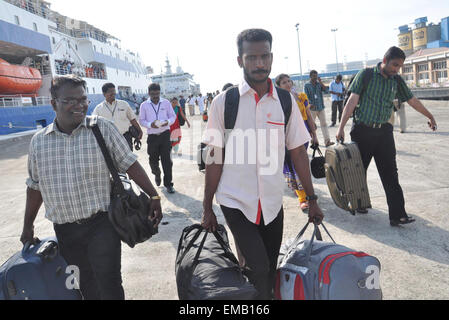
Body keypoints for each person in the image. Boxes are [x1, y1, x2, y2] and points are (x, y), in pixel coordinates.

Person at [201, 29, 324, 300]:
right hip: (235, 200)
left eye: (264, 56)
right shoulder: (224, 103)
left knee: (270, 270)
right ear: (239, 61)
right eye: (252, 57)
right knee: (257, 268)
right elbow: (213, 157)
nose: (259, 63)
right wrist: (207, 205)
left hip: (271, 203)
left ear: (271, 57)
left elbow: (298, 153)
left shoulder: (285, 101)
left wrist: (312, 198)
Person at [20, 75, 163, 300]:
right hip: (65, 230)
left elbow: (130, 163)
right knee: (85, 284)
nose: (79, 105)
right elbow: (34, 188)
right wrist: (27, 226)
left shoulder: (101, 129)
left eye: (83, 100)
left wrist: (153, 194)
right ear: (53, 103)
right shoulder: (39, 142)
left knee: (109, 281)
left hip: (102, 223)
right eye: (71, 101)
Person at [336, 46, 437, 226]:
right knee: (359, 171)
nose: (396, 69)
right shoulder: (365, 75)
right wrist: (341, 127)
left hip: (384, 132)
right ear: (385, 60)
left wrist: (429, 115)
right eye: (394, 65)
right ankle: (359, 203)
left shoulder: (396, 80)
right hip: (362, 131)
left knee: (391, 173)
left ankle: (398, 215)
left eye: (399, 66)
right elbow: (352, 100)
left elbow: (412, 100)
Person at [275, 73, 319, 211]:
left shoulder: (301, 97)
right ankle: (301, 194)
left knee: (298, 164)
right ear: (278, 86)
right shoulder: (276, 101)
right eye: (284, 83)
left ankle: (303, 195)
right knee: (290, 165)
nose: (288, 84)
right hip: (285, 135)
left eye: (289, 81)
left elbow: (309, 117)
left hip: (302, 134)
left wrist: (314, 135)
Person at [139, 83, 177, 194]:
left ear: (160, 92)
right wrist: (151, 125)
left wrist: (167, 122)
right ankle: (157, 173)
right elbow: (141, 120)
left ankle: (169, 184)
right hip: (152, 137)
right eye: (153, 94)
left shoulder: (165, 103)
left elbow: (172, 116)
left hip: (165, 135)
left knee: (167, 162)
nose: (155, 96)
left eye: (157, 93)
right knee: (153, 160)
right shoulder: (144, 105)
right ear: (148, 93)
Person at [92, 83, 143, 151]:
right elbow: (94, 125)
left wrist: (140, 131)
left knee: (129, 160)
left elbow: (132, 119)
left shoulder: (124, 104)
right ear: (104, 94)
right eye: (110, 91)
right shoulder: (98, 109)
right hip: (109, 140)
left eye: (114, 91)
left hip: (125, 137)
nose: (113, 93)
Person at [304, 70, 335, 147]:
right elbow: (306, 96)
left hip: (321, 107)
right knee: (312, 126)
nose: (315, 77)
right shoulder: (307, 85)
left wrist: (320, 82)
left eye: (316, 76)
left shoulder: (319, 84)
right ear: (310, 76)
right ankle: (313, 140)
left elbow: (326, 90)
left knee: (324, 124)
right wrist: (310, 103)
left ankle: (327, 141)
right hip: (312, 109)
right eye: (314, 76)